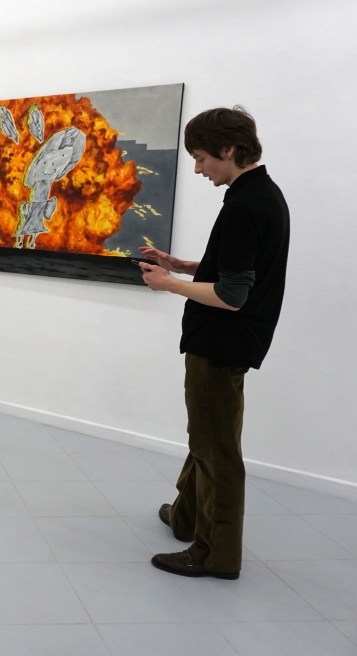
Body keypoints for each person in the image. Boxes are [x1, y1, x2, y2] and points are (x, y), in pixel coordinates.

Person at [139, 106, 289, 580]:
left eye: (202, 158)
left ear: (229, 149)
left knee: (215, 448)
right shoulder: (261, 194)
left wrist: (169, 284)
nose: (198, 169)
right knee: (205, 435)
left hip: (222, 343)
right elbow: (236, 268)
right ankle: (186, 517)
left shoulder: (245, 206)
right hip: (230, 341)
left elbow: (231, 294)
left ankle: (214, 554)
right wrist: (181, 265)